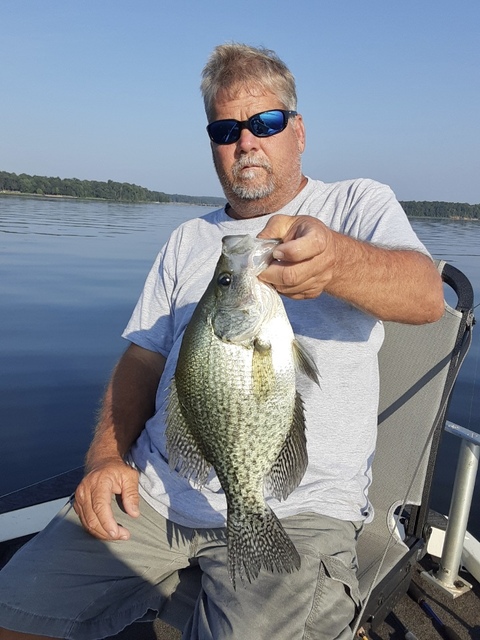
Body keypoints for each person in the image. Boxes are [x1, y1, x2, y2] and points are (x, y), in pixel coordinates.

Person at [0, 43, 444, 640]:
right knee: (13, 614)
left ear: (299, 130)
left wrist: (337, 263)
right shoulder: (188, 240)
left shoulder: (357, 204)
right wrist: (106, 458)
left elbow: (425, 298)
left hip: (299, 510)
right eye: (226, 128)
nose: (247, 141)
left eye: (265, 123)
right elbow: (141, 360)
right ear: (212, 141)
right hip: (156, 492)